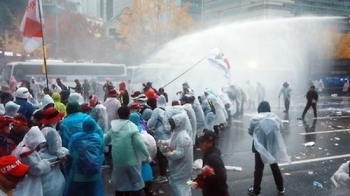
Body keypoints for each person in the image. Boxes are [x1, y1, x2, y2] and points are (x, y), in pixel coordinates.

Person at [104, 106, 151, 196]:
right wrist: (147, 156)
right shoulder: (132, 127)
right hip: (131, 161)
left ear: (118, 115)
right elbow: (139, 144)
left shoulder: (114, 127)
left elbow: (105, 140)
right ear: (129, 115)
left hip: (118, 161)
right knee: (136, 183)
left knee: (120, 184)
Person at [247, 101, 290, 196]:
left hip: (259, 147)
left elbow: (250, 131)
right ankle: (281, 188)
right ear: (268, 108)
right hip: (272, 145)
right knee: (274, 166)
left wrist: (258, 136)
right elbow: (280, 130)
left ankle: (256, 190)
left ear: (259, 108)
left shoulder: (254, 119)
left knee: (258, 168)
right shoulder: (276, 118)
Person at [65, 118, 105, 196]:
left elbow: (71, 152)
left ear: (83, 126)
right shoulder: (98, 138)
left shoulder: (75, 138)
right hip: (94, 174)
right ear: (94, 127)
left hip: (78, 176)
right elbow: (101, 152)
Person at [158, 112, 193, 196]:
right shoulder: (177, 133)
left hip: (182, 168)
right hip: (178, 167)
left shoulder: (183, 138)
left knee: (177, 185)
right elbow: (171, 141)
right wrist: (163, 142)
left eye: (172, 123)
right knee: (182, 186)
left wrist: (167, 153)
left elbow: (179, 154)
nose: (171, 126)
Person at [12, 126, 51, 196]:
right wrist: (46, 163)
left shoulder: (23, 145)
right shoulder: (26, 153)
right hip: (27, 181)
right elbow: (36, 169)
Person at [40, 107, 68, 196]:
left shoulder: (43, 129)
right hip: (50, 163)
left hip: (44, 162)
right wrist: (66, 153)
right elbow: (54, 150)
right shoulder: (51, 132)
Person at [196, 129, 229, 196]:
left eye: (202, 141)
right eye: (200, 141)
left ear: (210, 143)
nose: (200, 144)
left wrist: (205, 178)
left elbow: (222, 177)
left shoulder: (213, 157)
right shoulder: (208, 153)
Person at [147, 95, 170, 184]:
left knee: (161, 155)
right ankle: (166, 170)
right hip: (168, 135)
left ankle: (163, 175)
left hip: (160, 136)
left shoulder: (156, 111)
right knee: (167, 154)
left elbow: (151, 123)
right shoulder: (168, 110)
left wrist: (148, 124)